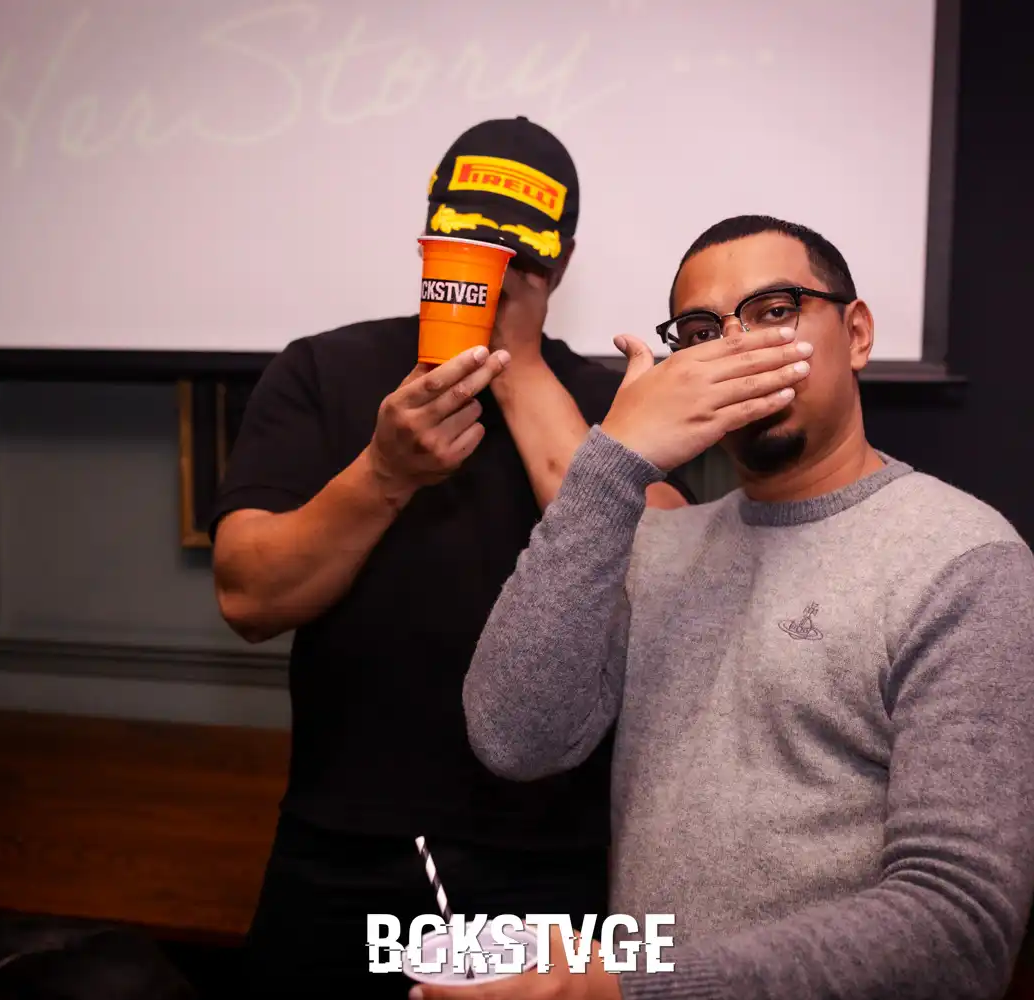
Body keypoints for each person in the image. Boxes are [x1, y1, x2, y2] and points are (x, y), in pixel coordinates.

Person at [435, 215, 1034, 999]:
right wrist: (613, 464)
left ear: (857, 334)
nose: (738, 348)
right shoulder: (660, 547)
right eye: (703, 333)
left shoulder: (962, 561)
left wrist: (630, 988)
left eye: (774, 311)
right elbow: (514, 738)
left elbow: (959, 930)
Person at [209, 117, 692, 995]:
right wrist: (384, 471)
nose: (495, 277)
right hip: (342, 836)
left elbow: (664, 581)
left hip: (555, 850)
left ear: (562, 267)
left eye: (523, 263)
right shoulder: (323, 370)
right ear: (427, 241)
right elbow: (248, 596)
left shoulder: (612, 398)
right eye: (472, 246)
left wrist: (517, 366)